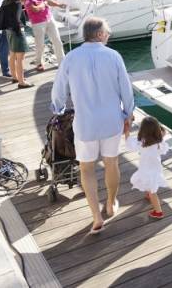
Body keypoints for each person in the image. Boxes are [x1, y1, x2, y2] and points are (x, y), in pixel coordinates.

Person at [51, 17, 134, 234]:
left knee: (86, 168)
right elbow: (126, 89)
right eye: (107, 32)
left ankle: (96, 215)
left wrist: (57, 109)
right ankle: (111, 202)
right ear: (99, 34)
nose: (108, 35)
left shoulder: (70, 58)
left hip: (85, 123)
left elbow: (58, 90)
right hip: (111, 122)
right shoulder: (113, 56)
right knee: (111, 163)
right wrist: (128, 114)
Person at [125, 116, 169, 219]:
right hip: (156, 169)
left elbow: (129, 144)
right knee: (151, 184)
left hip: (146, 170)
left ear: (143, 130)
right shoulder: (159, 142)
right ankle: (149, 194)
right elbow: (164, 149)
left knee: (152, 190)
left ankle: (158, 212)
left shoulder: (142, 143)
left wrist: (127, 131)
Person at [24, 0, 66, 71]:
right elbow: (35, 9)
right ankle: (38, 62)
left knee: (57, 41)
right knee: (40, 44)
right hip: (38, 23)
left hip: (49, 18)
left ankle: (62, 62)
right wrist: (43, 4)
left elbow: (47, 1)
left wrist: (59, 5)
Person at [0, 0, 32, 88]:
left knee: (12, 55)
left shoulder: (5, 2)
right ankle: (21, 82)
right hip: (17, 32)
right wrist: (19, 32)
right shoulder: (17, 3)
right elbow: (16, 20)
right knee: (20, 58)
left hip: (8, 31)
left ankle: (15, 77)